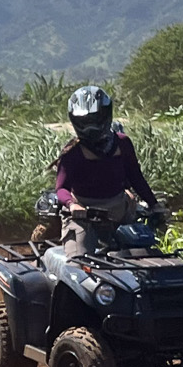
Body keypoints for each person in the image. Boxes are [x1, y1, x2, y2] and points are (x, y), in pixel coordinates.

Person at [41, 86, 159, 277]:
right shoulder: (72, 152)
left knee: (146, 256)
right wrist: (72, 205)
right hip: (83, 216)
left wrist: (155, 205)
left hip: (120, 211)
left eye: (94, 121)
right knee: (79, 268)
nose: (90, 128)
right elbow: (61, 188)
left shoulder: (122, 143)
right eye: (84, 123)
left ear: (106, 116)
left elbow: (136, 177)